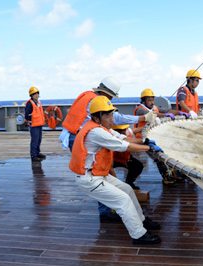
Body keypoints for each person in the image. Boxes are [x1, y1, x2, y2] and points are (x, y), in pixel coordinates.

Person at [69, 96, 163, 244]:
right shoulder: (96, 133)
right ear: (97, 117)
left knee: (127, 190)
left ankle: (141, 221)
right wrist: (149, 148)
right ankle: (138, 235)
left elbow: (123, 138)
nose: (111, 119)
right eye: (107, 115)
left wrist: (144, 141)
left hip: (99, 174)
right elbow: (123, 146)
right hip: (90, 179)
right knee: (123, 200)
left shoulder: (102, 128)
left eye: (112, 114)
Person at [60, 76, 157, 151]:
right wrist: (143, 118)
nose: (111, 99)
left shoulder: (88, 95)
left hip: (75, 132)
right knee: (84, 164)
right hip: (78, 135)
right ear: (105, 92)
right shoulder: (95, 101)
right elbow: (116, 119)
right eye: (111, 96)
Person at [112, 124, 144, 190]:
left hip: (126, 158)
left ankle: (129, 183)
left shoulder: (127, 133)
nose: (124, 132)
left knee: (138, 166)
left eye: (125, 129)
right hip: (112, 159)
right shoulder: (110, 139)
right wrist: (117, 185)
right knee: (106, 173)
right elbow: (110, 167)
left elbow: (136, 129)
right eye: (121, 131)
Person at [25, 86, 46, 162]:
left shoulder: (38, 103)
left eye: (37, 94)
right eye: (35, 94)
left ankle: (37, 152)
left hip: (39, 124)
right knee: (34, 140)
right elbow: (27, 114)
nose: (37, 95)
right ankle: (33, 155)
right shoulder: (30, 104)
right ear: (31, 95)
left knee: (39, 139)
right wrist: (29, 121)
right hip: (34, 125)